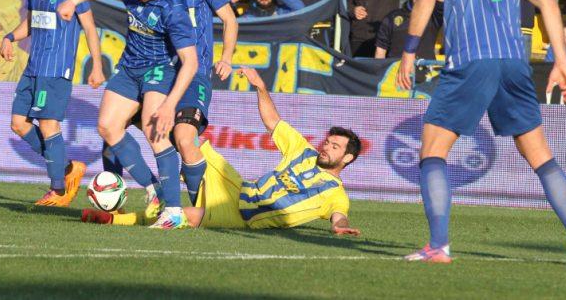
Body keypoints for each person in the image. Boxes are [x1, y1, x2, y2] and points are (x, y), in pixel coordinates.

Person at [396, 0, 566, 267]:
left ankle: (438, 245)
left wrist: (408, 50)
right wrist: (561, 61)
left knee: (433, 151)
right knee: (541, 156)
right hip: (514, 62)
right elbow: (548, 2)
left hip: (470, 60)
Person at [83, 67, 362, 236]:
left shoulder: (335, 194)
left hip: (244, 218)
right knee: (189, 141)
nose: (326, 147)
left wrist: (339, 226)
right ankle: (139, 124)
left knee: (185, 216)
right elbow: (273, 122)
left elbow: (339, 215)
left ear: (347, 158)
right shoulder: (304, 151)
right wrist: (260, 87)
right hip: (239, 187)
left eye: (334, 146)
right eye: (328, 142)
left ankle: (115, 219)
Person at [101, 0, 239, 229]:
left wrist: (227, 57)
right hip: (154, 71)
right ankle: (132, 196)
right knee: (111, 127)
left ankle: (200, 211)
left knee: (184, 138)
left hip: (193, 72)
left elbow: (229, 18)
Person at [58, 0, 199, 228]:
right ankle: (154, 189)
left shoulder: (173, 8)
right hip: (129, 66)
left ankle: (174, 212)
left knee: (154, 131)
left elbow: (191, 62)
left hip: (160, 69)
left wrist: (169, 105)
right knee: (107, 127)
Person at [0, 0, 105, 207]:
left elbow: (90, 28)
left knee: (48, 124)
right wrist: (9, 37)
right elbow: (31, 23)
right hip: (33, 67)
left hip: (56, 69)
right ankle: (67, 167)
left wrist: (97, 65)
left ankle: (58, 190)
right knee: (18, 123)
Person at [375, 0, 442, 59]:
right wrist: (379, 68)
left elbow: (443, 2)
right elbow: (380, 50)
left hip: (427, 67)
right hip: (397, 67)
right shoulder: (392, 17)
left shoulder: (434, 16)